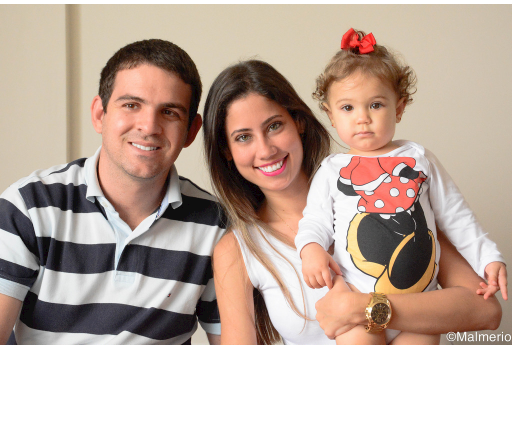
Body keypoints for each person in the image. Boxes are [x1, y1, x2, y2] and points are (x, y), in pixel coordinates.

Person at [203, 58, 502, 345]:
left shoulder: (395, 198)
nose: (266, 149)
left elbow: (486, 311)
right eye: (243, 137)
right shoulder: (237, 248)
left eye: (274, 126)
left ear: (299, 122)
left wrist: (362, 308)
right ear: (226, 151)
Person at [0, 39, 226, 345]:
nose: (149, 126)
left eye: (169, 112)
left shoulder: (216, 227)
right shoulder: (28, 208)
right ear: (99, 114)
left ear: (191, 131)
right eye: (131, 105)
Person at [296, 28, 507, 345]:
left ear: (399, 107)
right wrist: (310, 249)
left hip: (419, 311)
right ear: (330, 114)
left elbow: (456, 216)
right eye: (348, 108)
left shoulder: (419, 158)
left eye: (376, 105)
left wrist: (488, 257)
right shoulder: (331, 170)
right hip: (357, 307)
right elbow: (314, 221)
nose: (362, 118)